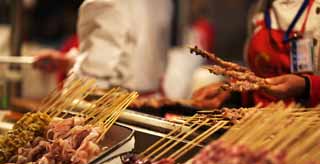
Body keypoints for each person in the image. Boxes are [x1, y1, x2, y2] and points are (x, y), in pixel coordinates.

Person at [192, 0, 320, 108]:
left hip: (307, 127)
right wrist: (234, 91)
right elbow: (262, 76)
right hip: (262, 122)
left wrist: (306, 85)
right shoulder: (260, 8)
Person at [34, 0, 173, 95]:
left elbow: (96, 73)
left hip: (116, 107)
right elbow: (128, 54)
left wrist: (63, 111)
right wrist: (70, 61)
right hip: (148, 101)